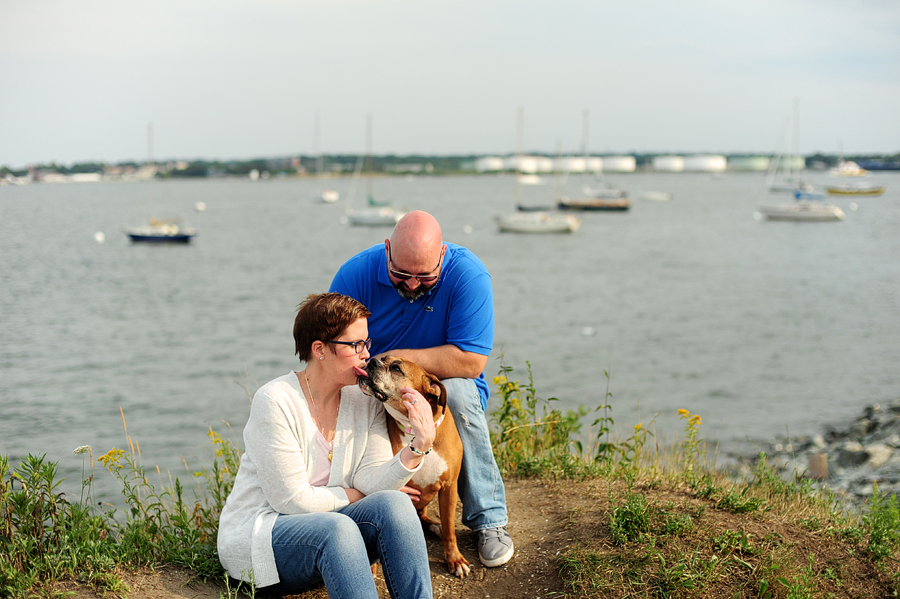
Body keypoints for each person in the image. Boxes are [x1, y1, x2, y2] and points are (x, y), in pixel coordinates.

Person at [217, 292, 436, 599]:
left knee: (396, 505)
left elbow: (371, 478)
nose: (366, 355)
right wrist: (355, 495)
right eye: (355, 345)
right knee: (338, 528)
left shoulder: (364, 400)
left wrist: (418, 447)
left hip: (332, 538)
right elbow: (291, 501)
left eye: (367, 343)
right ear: (319, 349)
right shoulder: (276, 400)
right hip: (263, 538)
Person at [330, 210, 514, 568]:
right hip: (377, 381)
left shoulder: (467, 275)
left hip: (443, 385)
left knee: (459, 395)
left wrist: (400, 359)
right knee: (348, 395)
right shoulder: (354, 275)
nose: (412, 284)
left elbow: (471, 363)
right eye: (401, 274)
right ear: (386, 251)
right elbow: (334, 348)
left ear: (442, 256)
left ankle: (488, 519)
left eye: (425, 277)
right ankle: (355, 504)